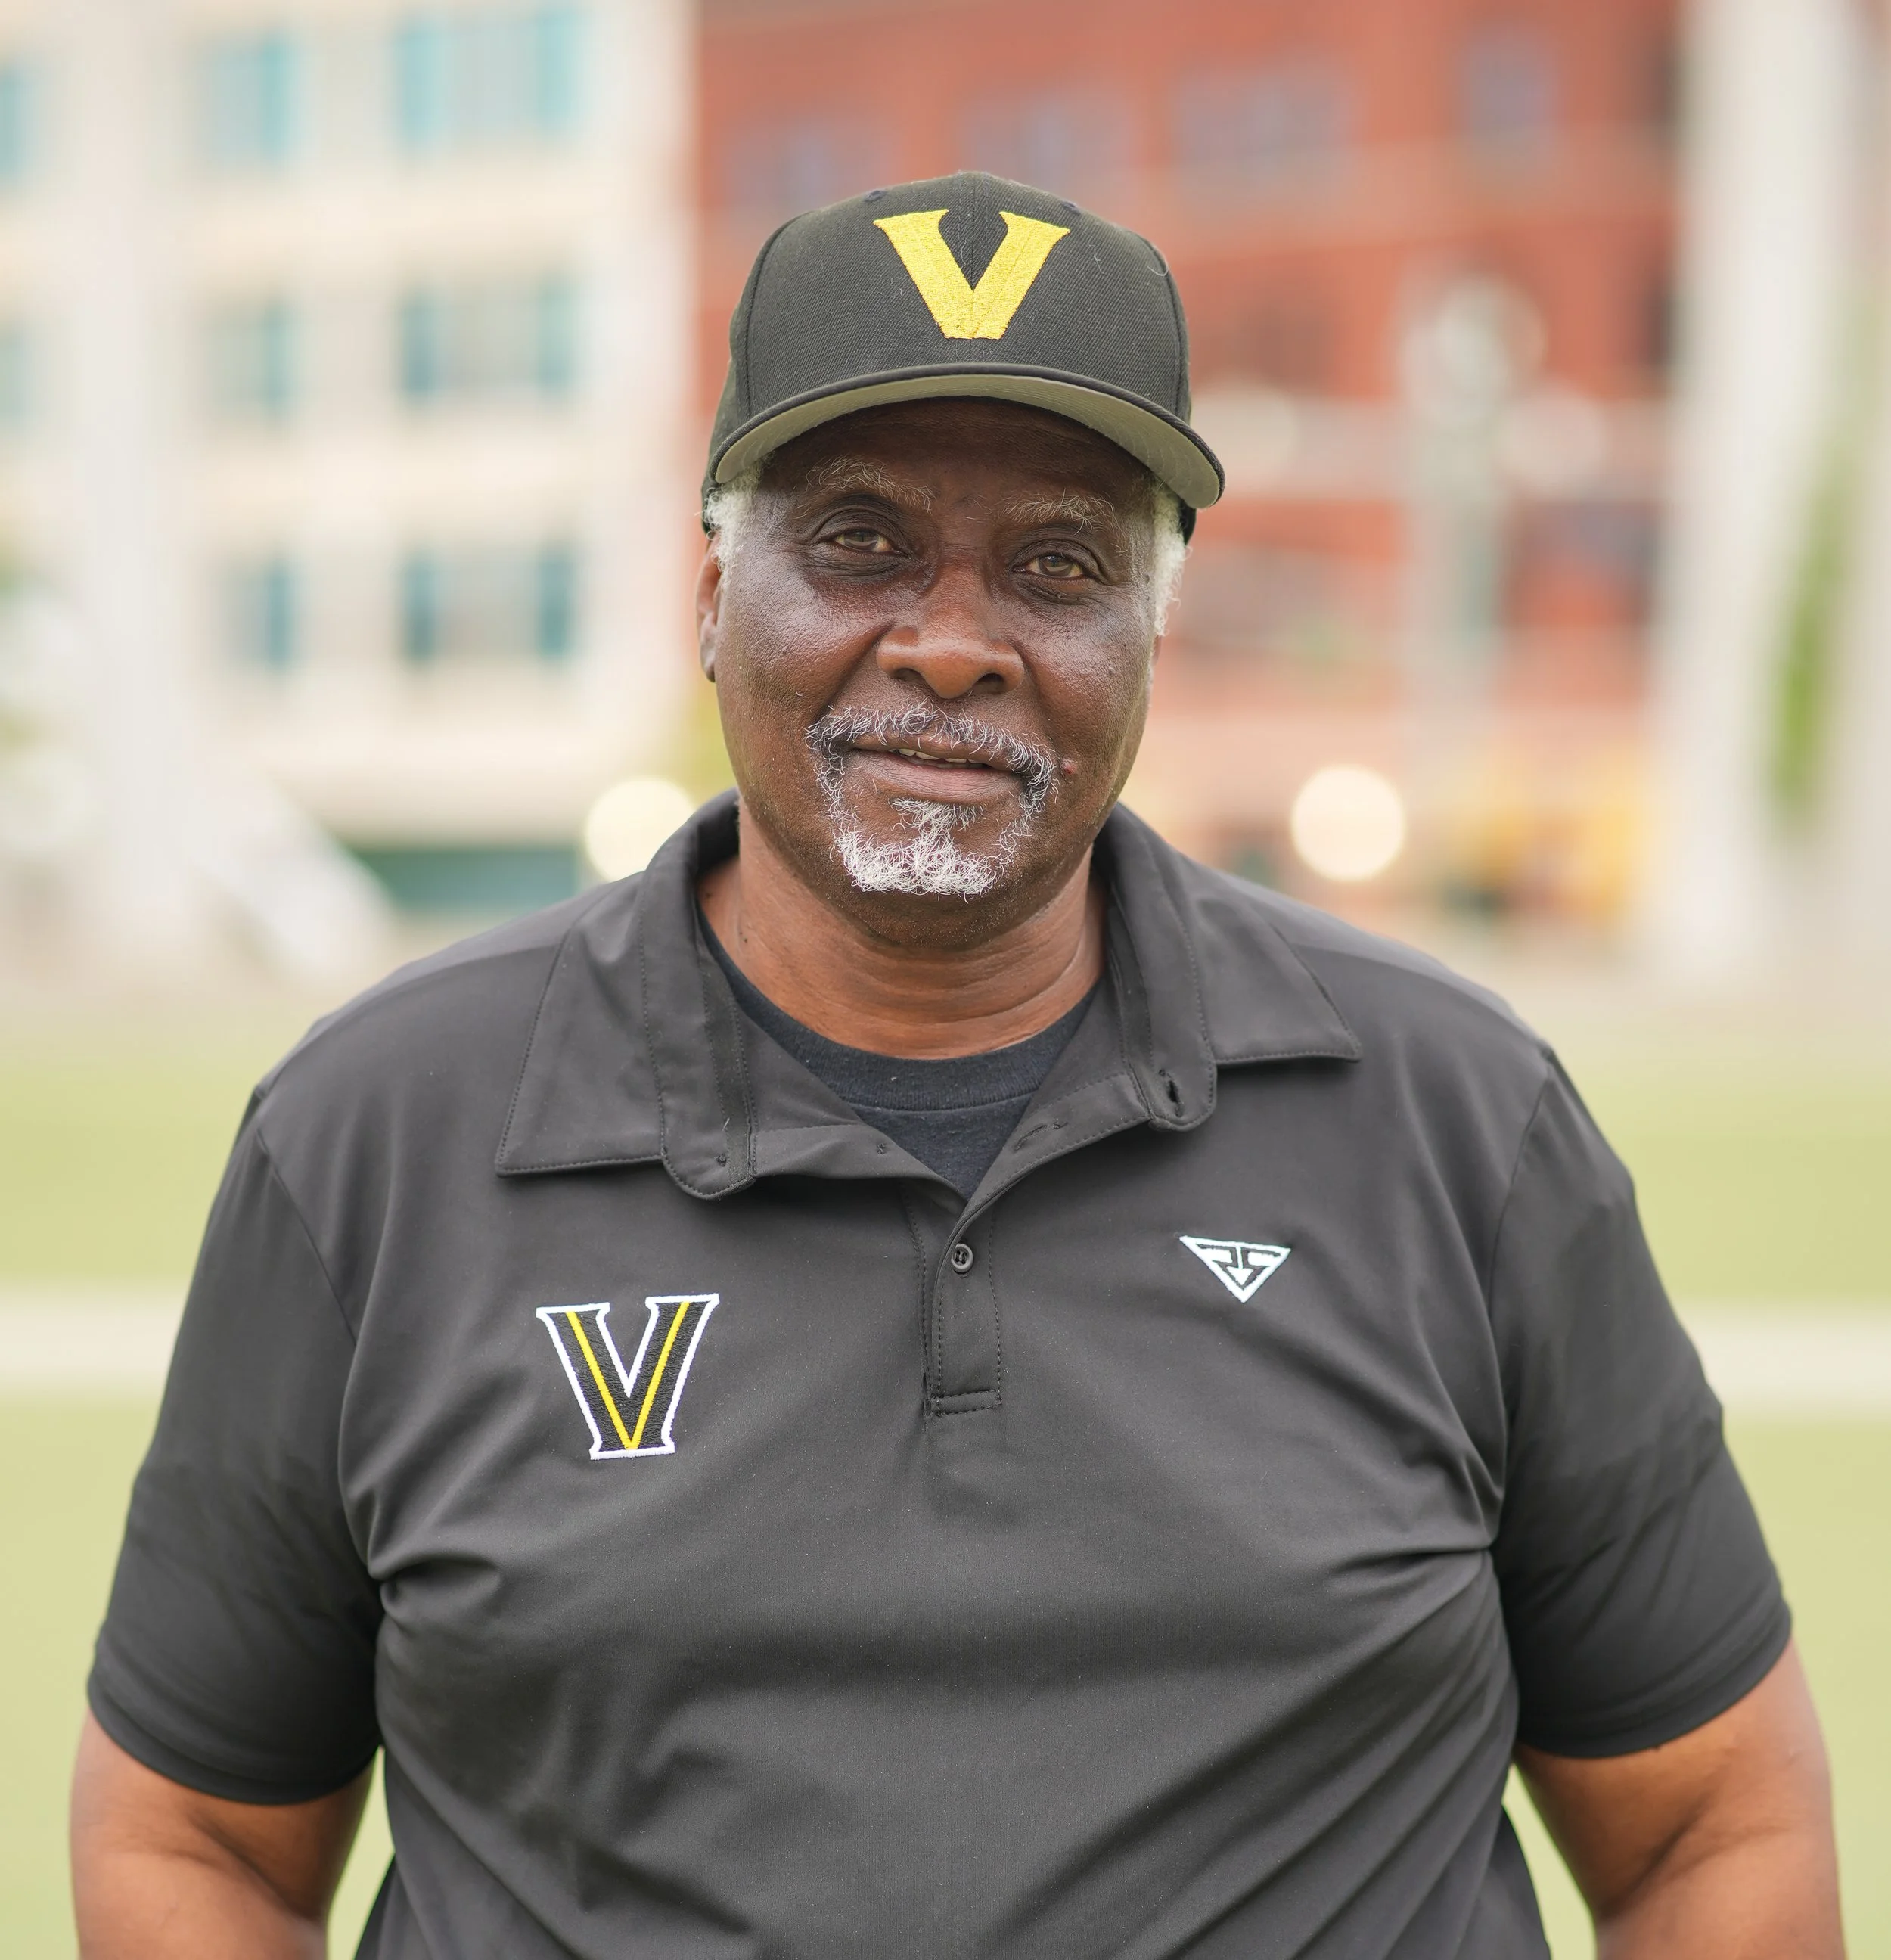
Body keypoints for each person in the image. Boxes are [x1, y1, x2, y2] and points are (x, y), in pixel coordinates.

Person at [71, 172, 1842, 1960]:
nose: (950, 638)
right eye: (853, 542)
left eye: (1059, 565)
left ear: (1153, 632)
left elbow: (1713, 1821)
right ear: (706, 596)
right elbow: (191, 1839)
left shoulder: (1455, 1116)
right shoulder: (377, 1130)